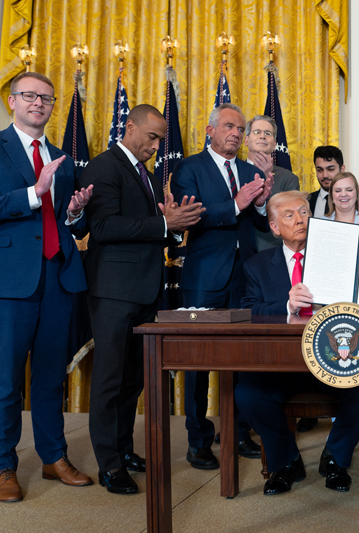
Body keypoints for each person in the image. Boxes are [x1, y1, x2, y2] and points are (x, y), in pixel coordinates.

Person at [236, 191, 359, 494]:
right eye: (289, 215)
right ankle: (285, 462)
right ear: (275, 227)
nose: (300, 220)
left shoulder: (340, 257)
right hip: (282, 364)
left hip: (334, 360)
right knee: (248, 394)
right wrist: (286, 305)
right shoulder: (257, 265)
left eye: (304, 213)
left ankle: (335, 458)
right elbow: (249, 311)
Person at [80, 105, 203, 494]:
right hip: (114, 291)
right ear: (129, 126)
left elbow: (148, 231)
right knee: (109, 380)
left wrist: (173, 225)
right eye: (150, 137)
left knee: (132, 380)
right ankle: (110, 465)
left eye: (159, 140)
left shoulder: (146, 174)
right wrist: (165, 223)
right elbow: (102, 226)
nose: (155, 145)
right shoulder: (104, 166)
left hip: (144, 290)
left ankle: (124, 449)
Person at [0, 72, 94, 502]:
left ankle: (54, 457)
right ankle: (4, 466)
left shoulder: (62, 158)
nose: (39, 103)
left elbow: (69, 223)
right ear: (12, 101)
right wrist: (34, 193)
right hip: (12, 282)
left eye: (46, 98)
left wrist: (74, 213)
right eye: (30, 96)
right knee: (5, 382)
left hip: (58, 277)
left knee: (51, 378)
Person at [171, 103, 270, 469]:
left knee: (243, 360)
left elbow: (260, 226)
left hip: (244, 279)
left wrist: (259, 205)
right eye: (229, 126)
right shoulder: (188, 168)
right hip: (204, 279)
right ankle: (198, 440)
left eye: (241, 129)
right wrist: (236, 204)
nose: (236, 134)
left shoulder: (248, 170)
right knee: (198, 363)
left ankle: (239, 430)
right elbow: (190, 217)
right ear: (209, 130)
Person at [244, 114, 300, 252]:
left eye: (267, 133)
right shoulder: (233, 172)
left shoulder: (289, 179)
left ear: (274, 144)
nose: (262, 136)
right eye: (257, 132)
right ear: (246, 140)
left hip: (270, 252)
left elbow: (288, 218)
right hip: (236, 255)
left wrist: (267, 176)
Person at [309, 146, 359, 218]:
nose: (325, 175)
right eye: (320, 170)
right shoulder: (307, 201)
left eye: (330, 169)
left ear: (342, 169)